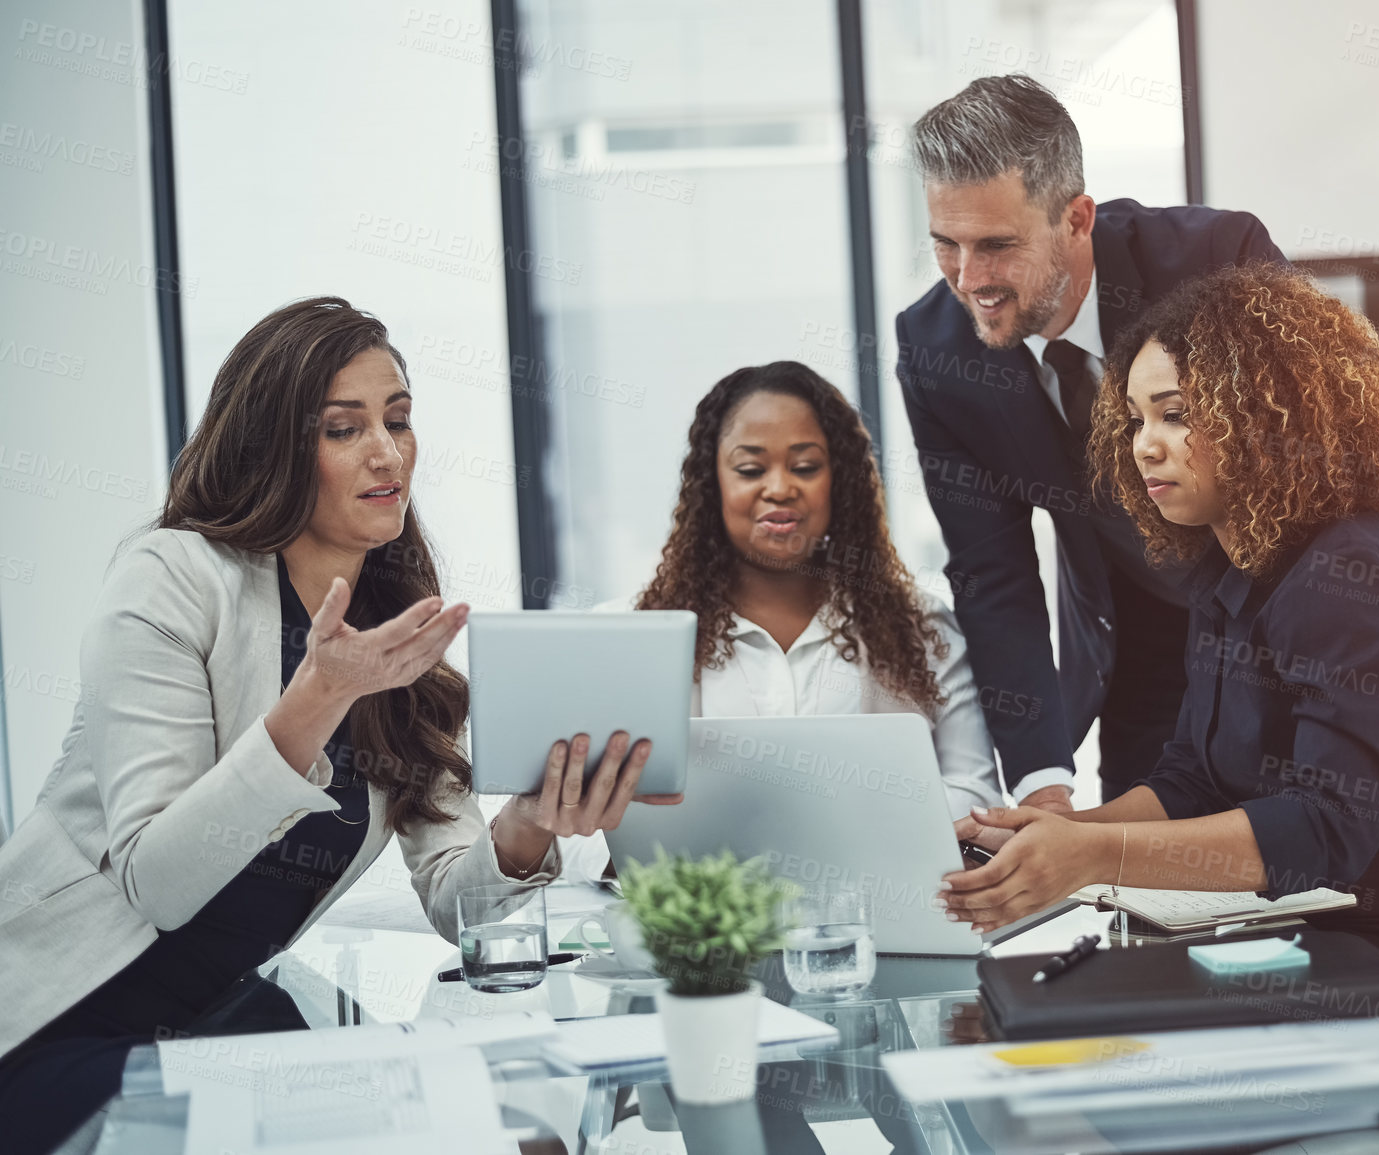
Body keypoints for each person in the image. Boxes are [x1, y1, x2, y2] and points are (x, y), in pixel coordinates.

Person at [898, 74, 1379, 811]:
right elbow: (991, 575)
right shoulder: (937, 352)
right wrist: (1041, 780)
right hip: (1143, 661)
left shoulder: (1206, 259)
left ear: (1076, 217)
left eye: (995, 246)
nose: (967, 279)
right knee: (1157, 917)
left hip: (1308, 630)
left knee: (1325, 868)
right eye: (945, 244)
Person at [0, 297, 675, 1155]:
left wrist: (527, 821)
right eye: (343, 429)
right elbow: (157, 883)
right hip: (47, 1037)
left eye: (397, 419)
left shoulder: (399, 640)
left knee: (525, 1127)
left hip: (219, 1029)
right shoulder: (171, 578)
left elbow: (457, 904)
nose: (387, 452)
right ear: (275, 445)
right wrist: (317, 696)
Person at [945, 264, 1379, 1079]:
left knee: (1113, 1057)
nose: (1145, 445)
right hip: (1347, 942)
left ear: (1269, 413)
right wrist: (1058, 834)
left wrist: (1092, 861)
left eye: (1175, 415)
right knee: (1064, 1028)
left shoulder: (1351, 569)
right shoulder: (1230, 564)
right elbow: (1193, 779)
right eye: (1135, 418)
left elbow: (1326, 831)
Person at [616, 360, 1002, 823]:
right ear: (711, 483)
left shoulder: (921, 625)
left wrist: (836, 822)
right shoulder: (640, 634)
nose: (779, 488)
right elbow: (587, 826)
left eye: (805, 466)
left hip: (874, 893)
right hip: (708, 895)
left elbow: (976, 794)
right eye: (750, 469)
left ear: (838, 481)